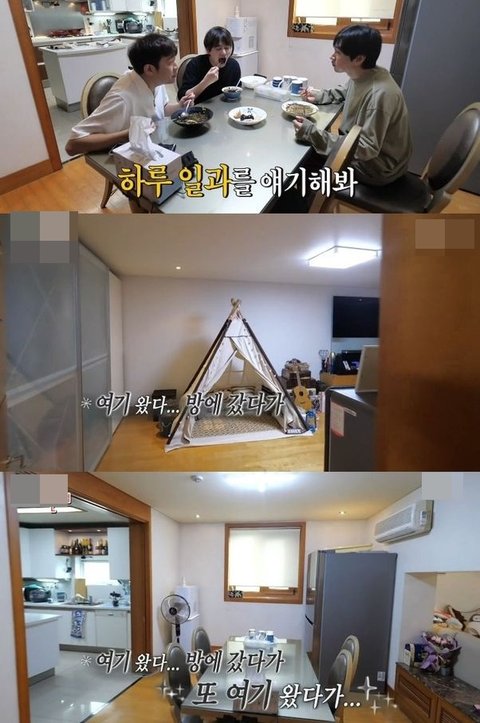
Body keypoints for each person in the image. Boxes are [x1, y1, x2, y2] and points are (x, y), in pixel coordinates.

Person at [293, 24, 412, 186]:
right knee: (309, 146)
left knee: (303, 159)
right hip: (363, 152)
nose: (332, 57)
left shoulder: (380, 95)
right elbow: (345, 91)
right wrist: (319, 96)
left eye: (338, 52)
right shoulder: (366, 74)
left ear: (359, 59)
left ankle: (306, 199)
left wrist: (311, 132)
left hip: (377, 168)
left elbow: (365, 149)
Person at [65, 33, 194, 157]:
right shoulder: (121, 98)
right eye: (170, 63)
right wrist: (127, 134)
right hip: (130, 160)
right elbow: (72, 146)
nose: (176, 67)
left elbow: (161, 110)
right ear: (149, 69)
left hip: (155, 149)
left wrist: (179, 106)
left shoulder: (155, 81)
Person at [177, 26, 241, 104]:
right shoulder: (195, 64)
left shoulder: (234, 65)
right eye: (218, 49)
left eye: (227, 48)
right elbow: (182, 97)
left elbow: (237, 91)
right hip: (200, 108)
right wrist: (206, 81)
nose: (224, 53)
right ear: (208, 50)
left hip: (225, 108)